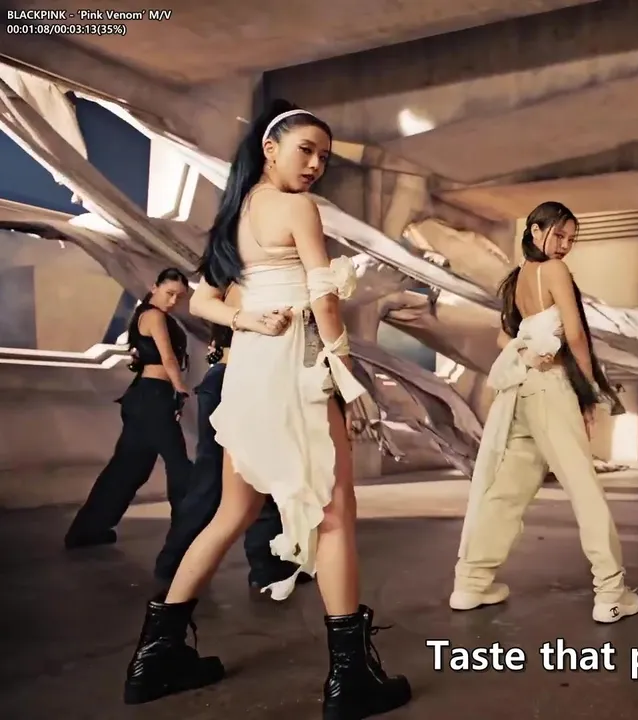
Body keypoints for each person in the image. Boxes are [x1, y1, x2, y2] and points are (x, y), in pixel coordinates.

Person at [120, 100, 410, 720]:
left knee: (233, 512)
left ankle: (155, 658)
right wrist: (346, 373)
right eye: (306, 150)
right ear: (270, 148)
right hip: (296, 372)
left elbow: (204, 300)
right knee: (335, 516)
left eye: (324, 157)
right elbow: (324, 297)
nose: (316, 165)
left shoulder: (236, 213)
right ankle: (350, 680)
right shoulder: (298, 208)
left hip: (249, 374)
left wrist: (245, 318)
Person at [451, 201, 638, 624]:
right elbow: (575, 334)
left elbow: (505, 338)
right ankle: (611, 592)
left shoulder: (518, 278)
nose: (565, 245)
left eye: (572, 239)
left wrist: (527, 351)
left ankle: (472, 582)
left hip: (521, 391)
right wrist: (589, 392)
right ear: (535, 231)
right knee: (584, 490)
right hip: (551, 389)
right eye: (559, 235)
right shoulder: (554, 271)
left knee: (507, 491)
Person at [153, 311, 308, 594]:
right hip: (239, 380)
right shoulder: (248, 299)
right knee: (247, 478)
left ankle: (177, 562)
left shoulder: (229, 301)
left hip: (228, 378)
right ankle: (262, 567)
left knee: (224, 478)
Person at [65, 268, 192, 549]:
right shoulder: (154, 316)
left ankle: (86, 530)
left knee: (128, 468)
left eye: (179, 297)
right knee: (178, 464)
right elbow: (168, 358)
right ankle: (188, 533)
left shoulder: (147, 314)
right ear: (154, 287)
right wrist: (180, 388)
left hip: (144, 397)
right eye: (169, 293)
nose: (173, 301)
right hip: (152, 396)